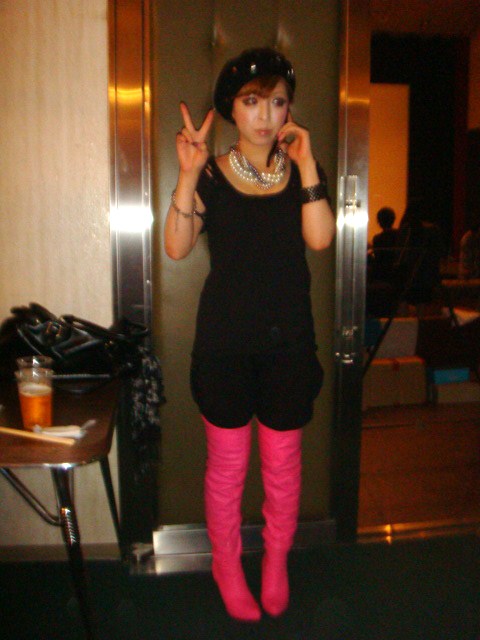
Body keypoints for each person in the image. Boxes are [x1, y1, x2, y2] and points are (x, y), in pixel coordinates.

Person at [164, 48, 335, 622]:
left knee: (283, 465)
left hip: (288, 343)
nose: (265, 115)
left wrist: (306, 165)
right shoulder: (211, 174)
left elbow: (320, 240)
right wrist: (188, 174)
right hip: (225, 344)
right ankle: (227, 563)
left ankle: (276, 558)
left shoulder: (302, 169)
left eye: (277, 102)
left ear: (288, 109)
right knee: (228, 467)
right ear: (232, 109)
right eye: (252, 101)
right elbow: (176, 247)